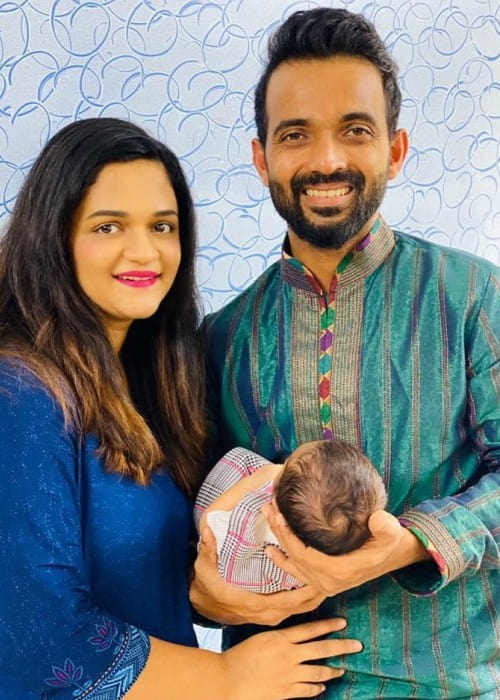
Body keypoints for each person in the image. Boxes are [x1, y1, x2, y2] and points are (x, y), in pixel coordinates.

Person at [191, 7, 500, 699]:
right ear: (262, 158)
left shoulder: (476, 298)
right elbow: (189, 529)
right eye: (295, 134)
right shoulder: (221, 338)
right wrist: (204, 595)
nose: (327, 160)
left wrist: (412, 542)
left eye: (355, 131)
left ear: (395, 149)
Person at [0, 117, 364, 700]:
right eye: (108, 225)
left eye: (162, 226)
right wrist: (226, 678)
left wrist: (217, 593)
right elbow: (37, 636)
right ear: (53, 237)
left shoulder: (150, 384)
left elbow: (137, 579)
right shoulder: (20, 394)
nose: (144, 251)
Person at [195, 441, 386, 593]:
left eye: (286, 467)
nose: (281, 466)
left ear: (275, 503)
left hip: (214, 527)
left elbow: (207, 526)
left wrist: (258, 479)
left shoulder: (249, 525)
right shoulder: (315, 568)